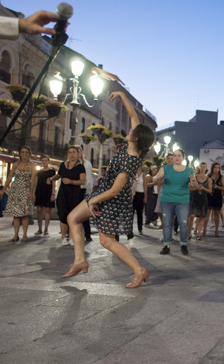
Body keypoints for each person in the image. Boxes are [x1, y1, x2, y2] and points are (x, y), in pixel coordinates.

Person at [62, 91, 155, 288]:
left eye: (133, 132)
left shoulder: (130, 161)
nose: (129, 131)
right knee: (73, 218)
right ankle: (79, 260)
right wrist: (121, 94)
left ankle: (140, 271)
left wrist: (94, 200)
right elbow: (133, 116)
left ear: (137, 138)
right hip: (102, 193)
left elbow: (114, 191)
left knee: (107, 241)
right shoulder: (130, 147)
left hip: (113, 200)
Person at [153, 149, 194, 255]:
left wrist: (193, 180)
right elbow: (156, 179)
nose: (176, 157)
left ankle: (183, 244)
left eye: (179, 155)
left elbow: (193, 186)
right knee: (167, 223)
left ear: (183, 158)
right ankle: (166, 245)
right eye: (175, 155)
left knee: (183, 223)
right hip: (167, 199)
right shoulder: (165, 168)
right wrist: (156, 178)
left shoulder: (189, 170)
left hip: (182, 200)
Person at [47, 146, 86, 246]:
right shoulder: (63, 165)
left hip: (74, 195)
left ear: (78, 154)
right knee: (62, 215)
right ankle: (64, 237)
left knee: (72, 217)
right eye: (70, 152)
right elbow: (59, 175)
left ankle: (71, 238)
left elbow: (82, 181)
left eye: (74, 152)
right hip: (63, 194)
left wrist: (71, 181)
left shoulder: (80, 167)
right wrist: (52, 178)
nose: (72, 154)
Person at [1, 146, 36, 242]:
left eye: (26, 152)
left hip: (26, 190)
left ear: (29, 154)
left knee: (25, 214)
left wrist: (31, 193)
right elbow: (9, 177)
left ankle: (24, 235)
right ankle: (15, 235)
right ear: (20, 154)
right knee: (15, 215)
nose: (24, 154)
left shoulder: (32, 166)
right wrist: (4, 188)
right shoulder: (16, 164)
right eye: (23, 152)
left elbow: (33, 180)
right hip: (15, 191)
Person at [188, 162, 212, 241]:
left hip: (203, 199)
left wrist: (203, 189)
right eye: (201, 167)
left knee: (202, 217)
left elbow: (210, 191)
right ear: (199, 168)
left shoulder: (208, 179)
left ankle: (199, 233)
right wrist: (196, 188)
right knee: (191, 216)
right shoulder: (194, 177)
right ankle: (189, 233)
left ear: (206, 168)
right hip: (195, 198)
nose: (202, 168)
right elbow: (190, 188)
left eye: (204, 167)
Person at [34, 155, 56, 236]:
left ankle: (46, 228)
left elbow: (54, 183)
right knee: (39, 210)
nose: (44, 162)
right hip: (39, 191)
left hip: (48, 191)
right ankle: (39, 228)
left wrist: (53, 194)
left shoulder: (52, 171)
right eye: (42, 160)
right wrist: (33, 193)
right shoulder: (38, 172)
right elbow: (35, 183)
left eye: (45, 160)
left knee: (47, 210)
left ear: (48, 161)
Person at [204, 162, 224, 237]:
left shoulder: (221, 177)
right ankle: (204, 229)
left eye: (218, 168)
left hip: (217, 196)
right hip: (209, 195)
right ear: (212, 168)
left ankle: (216, 230)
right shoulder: (208, 176)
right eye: (215, 167)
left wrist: (217, 187)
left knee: (216, 213)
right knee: (207, 213)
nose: (216, 169)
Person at [78, 150, 94, 243]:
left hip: (83, 190)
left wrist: (88, 191)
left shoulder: (87, 164)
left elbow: (89, 178)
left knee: (84, 213)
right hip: (73, 189)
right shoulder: (70, 163)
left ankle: (87, 234)